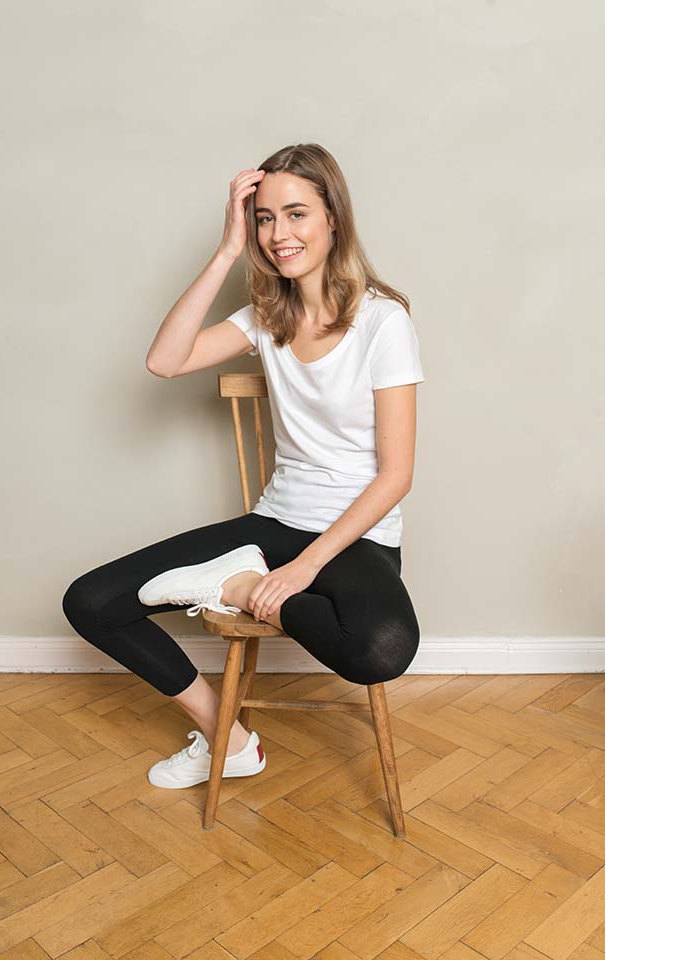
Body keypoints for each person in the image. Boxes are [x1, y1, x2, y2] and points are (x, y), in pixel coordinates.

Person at [62, 143, 424, 790]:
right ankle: (226, 737)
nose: (279, 234)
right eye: (264, 218)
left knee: (382, 650)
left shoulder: (382, 321)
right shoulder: (267, 317)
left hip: (357, 538)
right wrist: (228, 249)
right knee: (89, 601)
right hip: (276, 523)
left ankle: (230, 586)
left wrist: (300, 570)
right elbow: (164, 361)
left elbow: (395, 476)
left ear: (333, 217)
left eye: (296, 213)